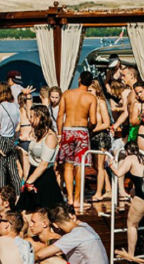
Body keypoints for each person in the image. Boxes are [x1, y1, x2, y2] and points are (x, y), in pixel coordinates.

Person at [34, 204, 109, 264]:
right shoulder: (86, 227)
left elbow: (39, 255)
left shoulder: (74, 235)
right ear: (70, 216)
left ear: (56, 224)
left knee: (47, 260)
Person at [57, 71, 98, 208]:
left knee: (68, 166)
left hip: (68, 130)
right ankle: (77, 200)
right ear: (90, 82)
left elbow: (60, 116)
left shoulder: (67, 94)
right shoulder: (91, 98)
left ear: (79, 80)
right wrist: (89, 129)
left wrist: (59, 134)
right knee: (80, 166)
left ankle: (69, 198)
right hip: (82, 130)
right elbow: (93, 120)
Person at [20, 104, 62, 211]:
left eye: (32, 116)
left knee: (45, 212)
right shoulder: (37, 133)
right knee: (25, 211)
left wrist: (29, 182)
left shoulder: (50, 137)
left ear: (40, 117)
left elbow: (44, 164)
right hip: (33, 173)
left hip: (45, 177)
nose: (30, 120)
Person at [0, 82, 22, 193]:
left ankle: (2, 195)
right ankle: (18, 193)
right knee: (13, 170)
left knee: (0, 171)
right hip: (11, 139)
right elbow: (18, 127)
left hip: (1, 139)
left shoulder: (0, 107)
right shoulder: (15, 107)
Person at [88, 80, 113, 202]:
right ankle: (108, 190)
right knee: (96, 166)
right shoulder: (89, 103)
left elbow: (107, 123)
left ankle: (98, 192)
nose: (88, 93)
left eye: (90, 91)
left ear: (97, 90)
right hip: (92, 137)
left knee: (100, 166)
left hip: (101, 136)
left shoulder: (101, 102)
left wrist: (93, 130)